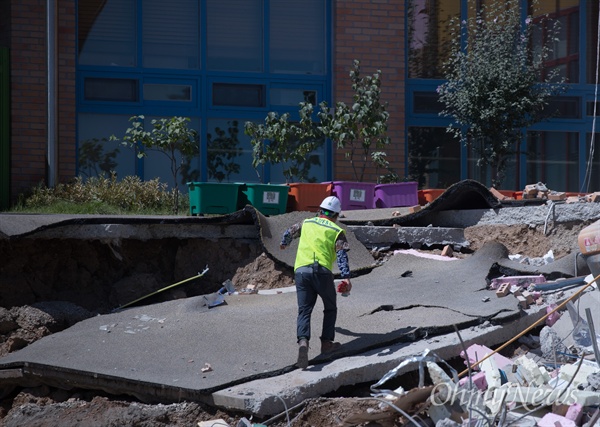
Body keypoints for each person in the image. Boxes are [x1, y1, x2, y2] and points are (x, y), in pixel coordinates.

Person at [280, 196, 352, 369]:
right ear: (336, 215)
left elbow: (288, 232)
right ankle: (326, 344)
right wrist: (346, 278)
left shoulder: (306, 223)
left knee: (304, 310)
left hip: (302, 272)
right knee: (330, 307)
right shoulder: (336, 230)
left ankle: (303, 343)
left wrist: (284, 244)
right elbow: (342, 255)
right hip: (322, 272)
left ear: (320, 211)